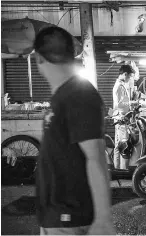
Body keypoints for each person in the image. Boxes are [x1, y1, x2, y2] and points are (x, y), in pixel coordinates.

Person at [33, 26, 115, 235]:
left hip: (69, 219)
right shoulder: (64, 94)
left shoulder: (78, 94)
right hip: (57, 217)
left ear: (39, 59)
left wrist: (103, 220)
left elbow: (95, 157)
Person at [113, 64, 136, 169]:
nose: (130, 78)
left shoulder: (119, 85)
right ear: (125, 74)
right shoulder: (120, 86)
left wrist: (130, 103)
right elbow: (122, 105)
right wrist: (131, 108)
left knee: (118, 146)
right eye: (130, 76)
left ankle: (117, 169)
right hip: (121, 120)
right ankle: (123, 171)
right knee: (124, 147)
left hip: (118, 118)